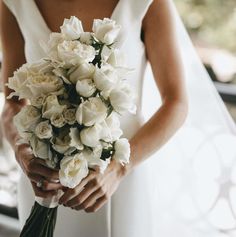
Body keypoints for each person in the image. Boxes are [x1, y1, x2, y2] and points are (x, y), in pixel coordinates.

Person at [1, 0, 235, 236]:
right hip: (43, 177)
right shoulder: (13, 3)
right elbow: (12, 102)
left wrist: (119, 168)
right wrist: (23, 150)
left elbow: (176, 103)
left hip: (116, 181)